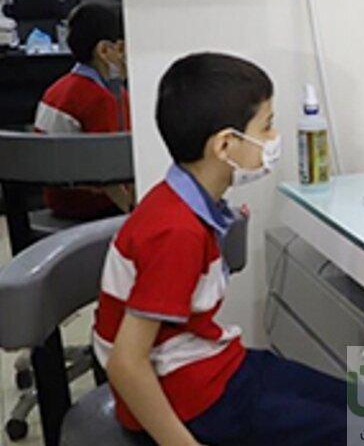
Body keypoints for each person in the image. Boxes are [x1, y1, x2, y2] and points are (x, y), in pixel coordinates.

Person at [92, 52, 348, 445]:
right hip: (196, 400)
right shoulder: (176, 232)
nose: (273, 138)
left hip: (214, 365)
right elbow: (126, 364)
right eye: (267, 126)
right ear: (226, 144)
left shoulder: (183, 203)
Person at [34, 2, 133, 217]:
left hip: (58, 200)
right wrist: (135, 211)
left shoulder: (57, 89)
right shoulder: (102, 99)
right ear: (104, 50)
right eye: (123, 48)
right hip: (92, 205)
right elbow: (111, 174)